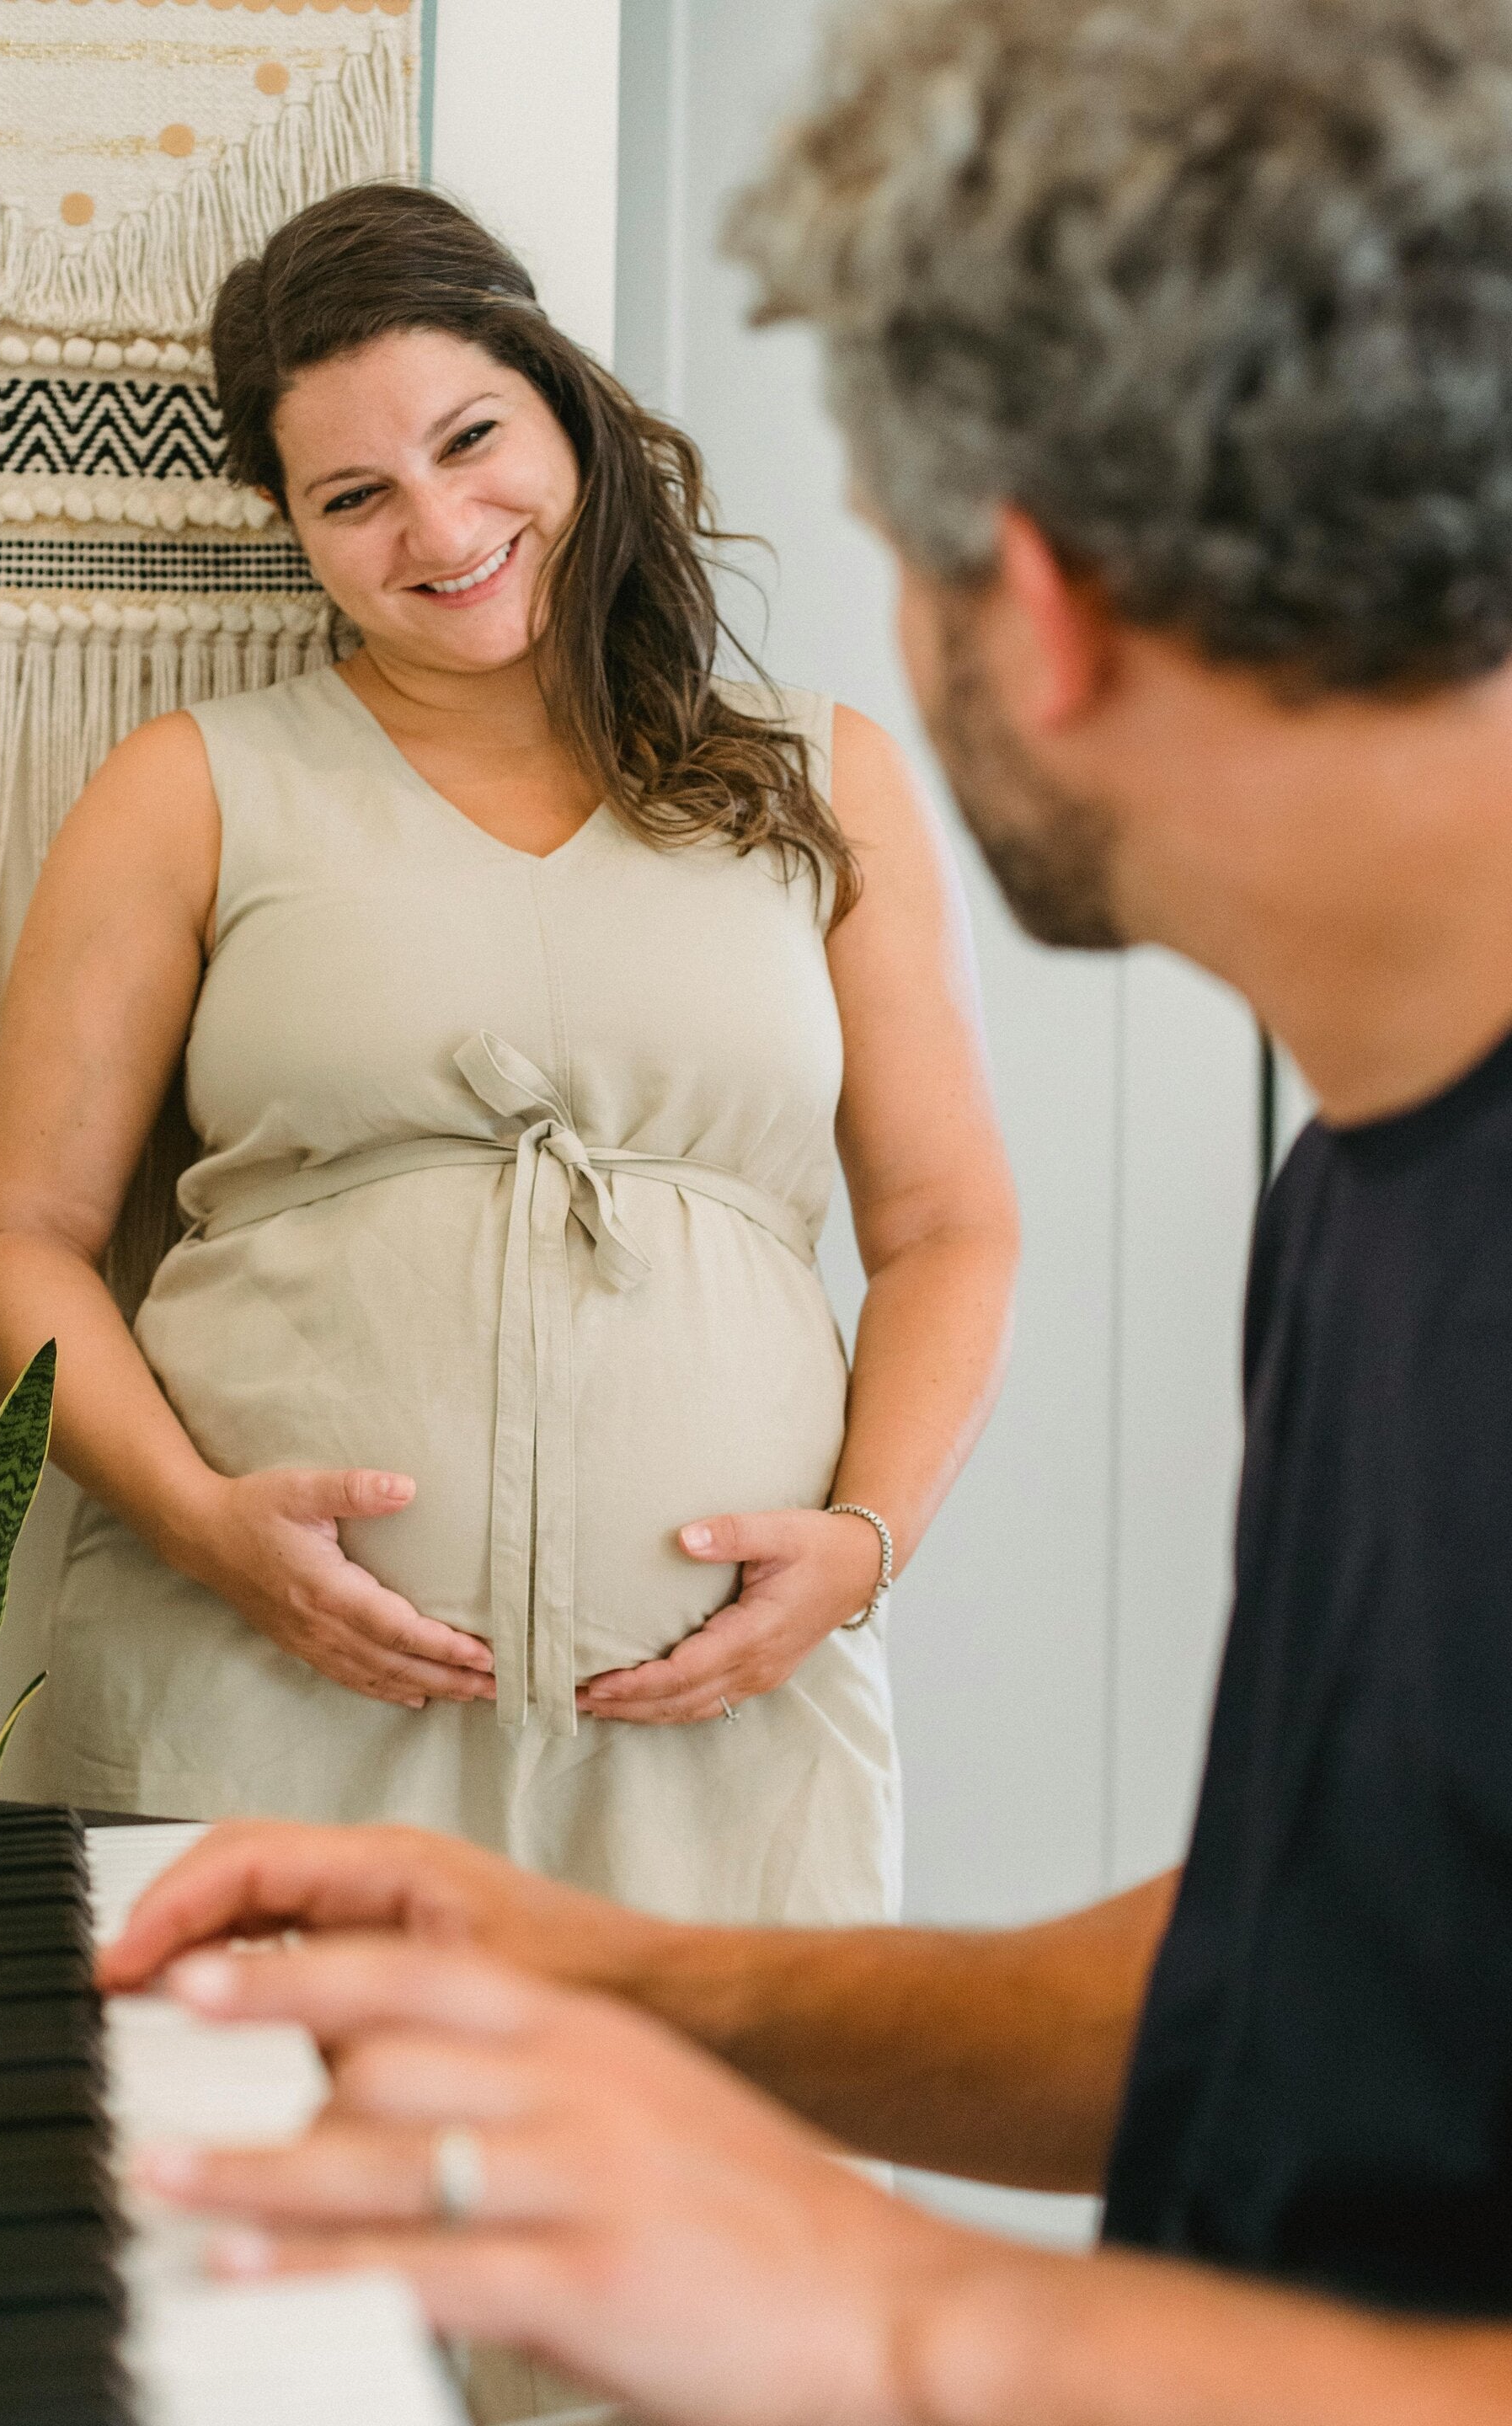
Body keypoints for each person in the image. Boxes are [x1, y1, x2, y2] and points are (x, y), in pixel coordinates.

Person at [99, 0, 1512, 2418]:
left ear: (1033, 606)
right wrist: (620, 1979)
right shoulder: (1366, 1208)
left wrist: (900, 2317)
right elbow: (1328, 1985)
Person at [0, 184, 1018, 1935]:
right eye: (352, 495)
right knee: (239, 2122)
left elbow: (948, 1226)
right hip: (259, 1697)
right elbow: (12, 1241)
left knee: (714, 2127)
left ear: (564, 410)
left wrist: (865, 1546)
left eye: (470, 439)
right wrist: (206, 1527)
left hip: (718, 1731)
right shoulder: (194, 786)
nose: (438, 527)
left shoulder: (821, 782)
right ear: (292, 526)